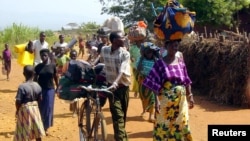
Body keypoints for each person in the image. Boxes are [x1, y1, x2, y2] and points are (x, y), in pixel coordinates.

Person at [143, 39, 195, 141]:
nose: (174, 48)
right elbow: (154, 83)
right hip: (165, 101)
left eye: (176, 46)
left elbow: (187, 80)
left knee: (182, 123)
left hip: (181, 101)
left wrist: (190, 95)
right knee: (163, 124)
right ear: (166, 47)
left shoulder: (181, 63)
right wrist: (156, 100)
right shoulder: (160, 63)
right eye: (172, 46)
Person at [99, 31, 131, 141]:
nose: (124, 39)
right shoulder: (104, 50)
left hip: (123, 87)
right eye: (122, 37)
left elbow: (122, 70)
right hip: (112, 90)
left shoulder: (125, 54)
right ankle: (121, 139)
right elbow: (101, 62)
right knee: (118, 116)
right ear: (114, 40)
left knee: (123, 116)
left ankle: (121, 136)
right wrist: (92, 66)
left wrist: (115, 82)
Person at [14, 65, 45, 141]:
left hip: (25, 109)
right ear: (34, 74)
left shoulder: (22, 86)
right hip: (35, 109)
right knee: (37, 129)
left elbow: (18, 101)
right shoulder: (37, 85)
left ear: (24, 74)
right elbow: (40, 99)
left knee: (23, 130)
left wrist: (17, 110)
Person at [34, 49, 59, 135]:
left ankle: (46, 127)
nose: (43, 57)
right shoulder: (38, 67)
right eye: (41, 56)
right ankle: (40, 126)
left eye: (45, 55)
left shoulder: (53, 66)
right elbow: (34, 80)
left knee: (48, 108)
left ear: (48, 55)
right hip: (40, 90)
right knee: (40, 108)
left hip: (50, 90)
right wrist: (34, 90)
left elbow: (56, 77)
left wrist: (58, 87)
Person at [136, 42, 159, 122]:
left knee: (152, 97)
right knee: (143, 97)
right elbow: (138, 69)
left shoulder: (156, 59)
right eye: (148, 52)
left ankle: (151, 116)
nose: (150, 54)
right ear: (144, 52)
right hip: (142, 80)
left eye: (151, 52)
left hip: (152, 80)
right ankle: (145, 108)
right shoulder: (141, 59)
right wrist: (141, 59)